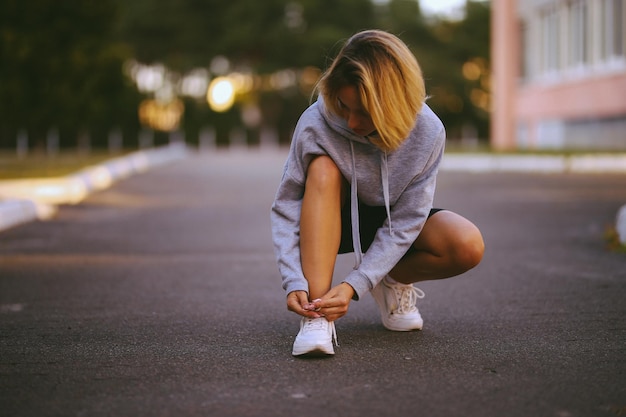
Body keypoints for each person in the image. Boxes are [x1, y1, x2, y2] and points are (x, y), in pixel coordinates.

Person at [270, 29, 484, 357]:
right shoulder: (315, 122)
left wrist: (358, 282)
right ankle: (317, 312)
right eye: (345, 106)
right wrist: (293, 281)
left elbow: (410, 216)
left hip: (394, 217)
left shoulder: (428, 130)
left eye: (367, 113)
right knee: (323, 168)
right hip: (329, 217)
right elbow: (287, 204)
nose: (353, 122)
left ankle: (389, 279)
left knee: (467, 245)